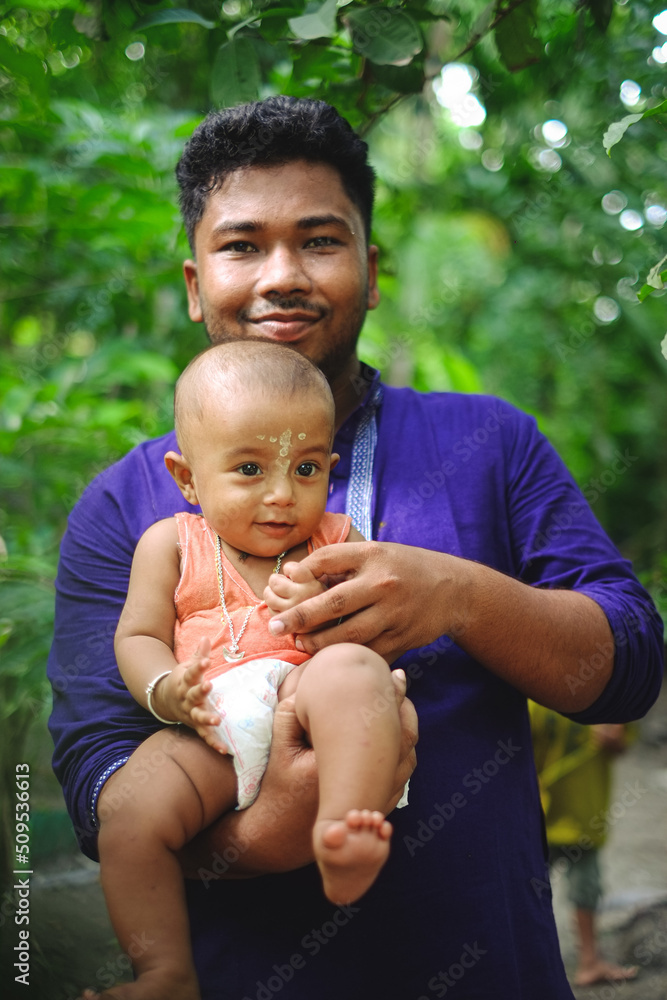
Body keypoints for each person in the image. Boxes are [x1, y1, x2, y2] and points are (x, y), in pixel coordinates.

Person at [48, 95, 664, 1000]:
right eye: (241, 245)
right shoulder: (127, 507)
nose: (282, 274)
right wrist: (278, 826)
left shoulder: (489, 445)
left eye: (321, 240)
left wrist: (458, 598)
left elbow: (630, 664)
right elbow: (95, 776)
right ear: (193, 282)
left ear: (370, 272)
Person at [88, 340, 405, 1000]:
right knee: (126, 815)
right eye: (250, 469)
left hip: (302, 695)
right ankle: (166, 972)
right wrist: (167, 690)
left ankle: (340, 829)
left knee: (351, 671)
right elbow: (139, 633)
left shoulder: (336, 541)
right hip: (211, 723)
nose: (282, 496)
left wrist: (323, 613)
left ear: (330, 468)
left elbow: (373, 637)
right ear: (187, 478)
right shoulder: (172, 542)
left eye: (307, 468)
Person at [529, 703, 639, 987]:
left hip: (583, 816)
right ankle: (523, 960)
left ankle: (589, 962)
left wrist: (614, 738)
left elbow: (623, 740)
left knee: (585, 889)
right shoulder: (533, 698)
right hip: (540, 814)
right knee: (525, 888)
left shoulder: (607, 698)